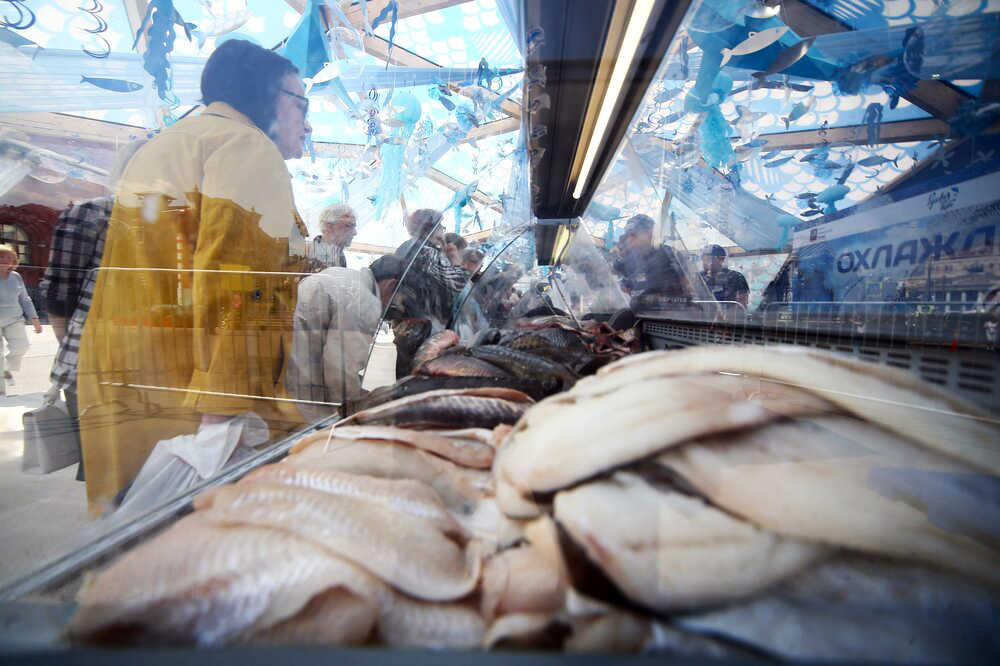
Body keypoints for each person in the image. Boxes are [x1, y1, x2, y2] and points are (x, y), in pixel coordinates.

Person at [76, 39, 312, 510]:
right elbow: (239, 282)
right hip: (193, 395)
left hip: (125, 379)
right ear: (268, 97)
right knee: (191, 551)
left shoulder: (166, 145)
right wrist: (225, 413)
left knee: (133, 541)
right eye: (302, 104)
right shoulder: (246, 146)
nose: (308, 123)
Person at [40, 140, 147, 480]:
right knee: (109, 472)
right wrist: (81, 358)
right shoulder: (92, 213)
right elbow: (60, 293)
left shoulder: (171, 221)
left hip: (152, 365)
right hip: (98, 366)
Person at [286, 254, 405, 421]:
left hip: (293, 382)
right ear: (390, 285)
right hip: (306, 396)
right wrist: (355, 413)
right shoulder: (365, 301)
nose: (395, 306)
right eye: (400, 299)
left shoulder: (345, 277)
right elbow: (340, 372)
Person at [390, 209, 469, 376]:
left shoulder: (406, 248)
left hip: (405, 325)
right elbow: (459, 283)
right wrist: (455, 259)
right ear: (431, 228)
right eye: (441, 227)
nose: (443, 232)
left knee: (405, 374)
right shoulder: (428, 251)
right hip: (425, 327)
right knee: (422, 373)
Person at [612, 214, 690, 309]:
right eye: (628, 236)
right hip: (639, 316)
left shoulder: (669, 254)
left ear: (650, 233)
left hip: (670, 315)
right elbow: (625, 287)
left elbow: (687, 285)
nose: (630, 239)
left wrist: (660, 296)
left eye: (635, 235)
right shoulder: (630, 260)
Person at [0, 244, 42, 392]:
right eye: (1, 256)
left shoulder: (16, 277)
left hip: (14, 319)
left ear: (13, 262)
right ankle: (1, 393)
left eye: (9, 257)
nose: (5, 260)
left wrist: (35, 319)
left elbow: (25, 299)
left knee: (22, 346)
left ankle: (5, 368)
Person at [305, 203, 357, 272]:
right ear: (329, 226)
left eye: (354, 227)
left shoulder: (339, 256)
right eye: (348, 226)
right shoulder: (309, 254)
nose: (354, 232)